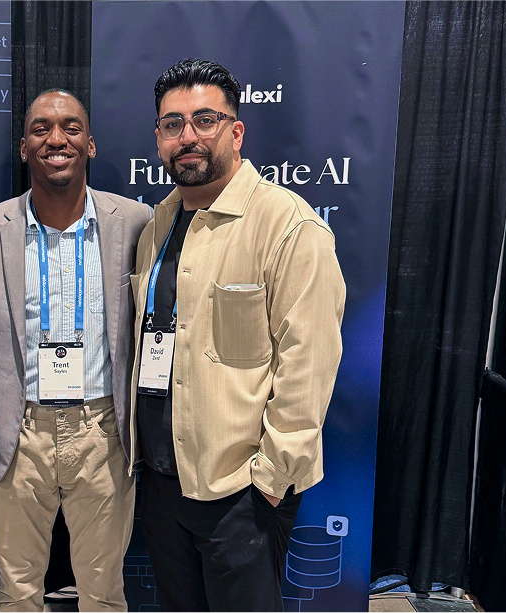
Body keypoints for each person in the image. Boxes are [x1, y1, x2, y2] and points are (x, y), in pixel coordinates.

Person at [128, 58, 346, 611]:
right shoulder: (158, 224)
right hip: (162, 481)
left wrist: (270, 479)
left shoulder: (288, 226)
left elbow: (309, 363)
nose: (188, 136)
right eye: (172, 124)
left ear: (236, 131)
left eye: (205, 119)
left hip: (239, 492)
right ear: (158, 139)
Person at [0, 89, 152, 611]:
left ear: (90, 145)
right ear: (24, 148)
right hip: (16, 432)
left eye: (70, 127)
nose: (56, 138)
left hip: (103, 432)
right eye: (41, 128)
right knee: (18, 592)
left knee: (104, 592)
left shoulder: (136, 223)